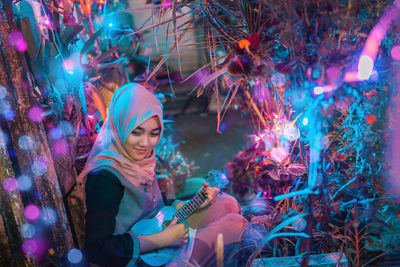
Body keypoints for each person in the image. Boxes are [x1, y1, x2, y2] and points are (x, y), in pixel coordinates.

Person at [77, 83, 248, 267]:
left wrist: (193, 203)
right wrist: (162, 240)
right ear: (120, 127)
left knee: (227, 204)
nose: (146, 143)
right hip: (140, 259)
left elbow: (154, 207)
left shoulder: (143, 160)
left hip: (160, 233)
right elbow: (97, 250)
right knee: (236, 225)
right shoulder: (105, 176)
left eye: (154, 133)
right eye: (136, 132)